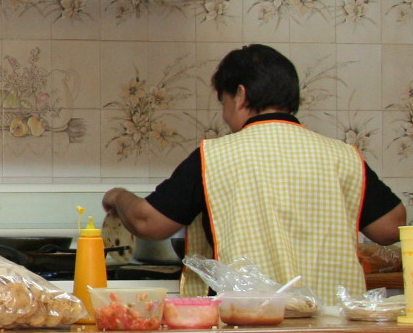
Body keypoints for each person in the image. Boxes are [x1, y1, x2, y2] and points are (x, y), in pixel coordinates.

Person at [103, 43, 404, 302]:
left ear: (240, 95)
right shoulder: (342, 155)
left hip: (251, 320)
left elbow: (148, 222)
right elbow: (391, 228)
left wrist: (117, 196)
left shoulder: (216, 156)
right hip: (333, 323)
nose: (224, 115)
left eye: (223, 102)